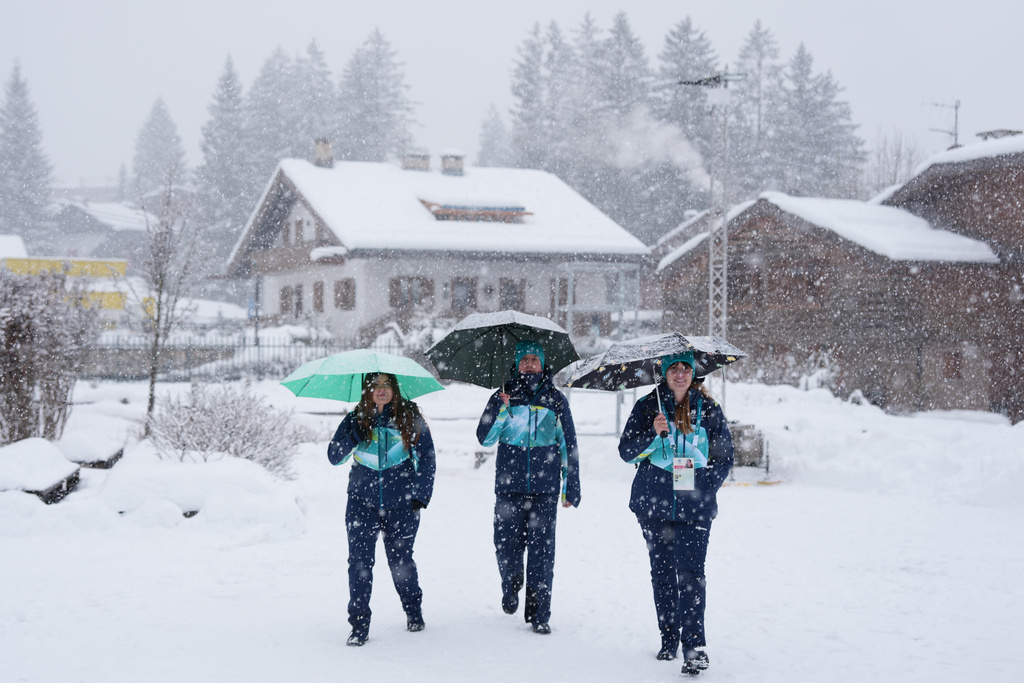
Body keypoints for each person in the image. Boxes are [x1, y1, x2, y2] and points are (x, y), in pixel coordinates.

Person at [618, 351, 733, 675]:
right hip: (654, 504)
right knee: (664, 575)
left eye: (685, 369)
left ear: (693, 373)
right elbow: (627, 452)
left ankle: (694, 648)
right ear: (664, 374)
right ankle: (669, 638)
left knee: (692, 576)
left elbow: (724, 457)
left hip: (694, 508)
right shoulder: (647, 407)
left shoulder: (708, 409)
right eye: (674, 369)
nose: (680, 374)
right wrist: (652, 433)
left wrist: (702, 485)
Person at [476, 340, 581, 635]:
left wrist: (570, 484)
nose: (530, 364)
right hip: (508, 488)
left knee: (542, 553)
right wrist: (500, 406)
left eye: (535, 359)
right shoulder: (503, 396)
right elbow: (484, 438)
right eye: (524, 359)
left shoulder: (556, 400)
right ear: (517, 364)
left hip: (545, 489)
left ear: (543, 364)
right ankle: (511, 582)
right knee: (505, 547)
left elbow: (567, 444)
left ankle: (539, 612)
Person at [328, 372, 436, 647]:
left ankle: (413, 610)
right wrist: (354, 435)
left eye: (387, 384)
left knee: (401, 562)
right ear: (367, 391)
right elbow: (334, 456)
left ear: (395, 389)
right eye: (375, 385)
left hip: (402, 504)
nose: (381, 390)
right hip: (360, 504)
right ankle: (359, 625)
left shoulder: (409, 418)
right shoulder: (355, 418)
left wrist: (421, 495)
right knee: (360, 564)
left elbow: (427, 457)